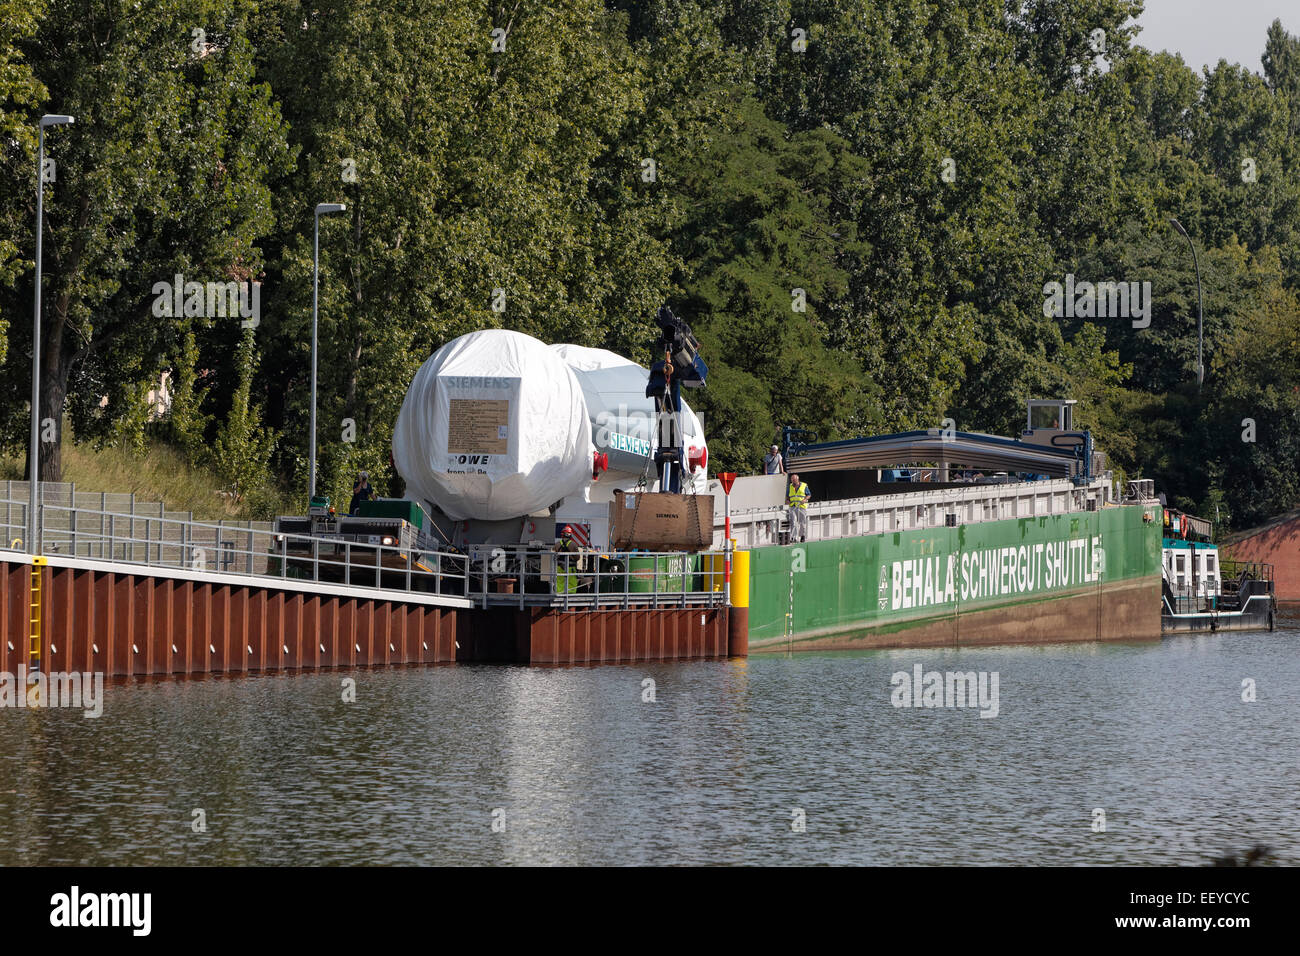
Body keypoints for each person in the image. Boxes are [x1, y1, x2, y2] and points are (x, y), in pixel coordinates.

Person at [787, 472, 811, 542]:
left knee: (802, 522)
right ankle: (793, 537)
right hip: (793, 506)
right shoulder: (790, 486)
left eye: (794, 480)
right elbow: (788, 496)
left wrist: (805, 499)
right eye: (792, 480)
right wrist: (788, 500)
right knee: (793, 522)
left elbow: (809, 495)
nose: (793, 482)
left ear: (798, 480)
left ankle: (802, 536)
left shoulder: (804, 485)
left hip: (801, 506)